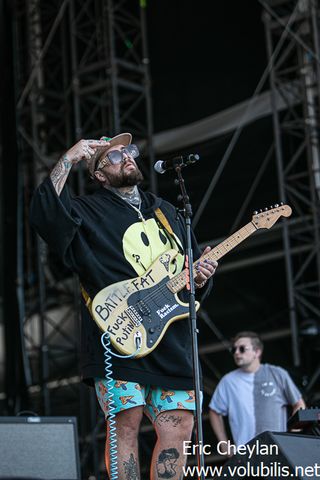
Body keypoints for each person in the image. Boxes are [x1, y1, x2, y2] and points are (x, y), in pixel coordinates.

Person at [30, 133, 217, 479]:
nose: (126, 157)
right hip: (118, 333)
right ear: (99, 175)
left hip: (171, 340)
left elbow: (188, 284)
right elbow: (45, 213)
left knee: (180, 428)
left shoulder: (169, 212)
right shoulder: (86, 211)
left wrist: (201, 278)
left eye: (128, 151)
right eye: (113, 157)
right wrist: (68, 159)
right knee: (125, 424)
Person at [209, 331, 305, 452]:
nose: (237, 352)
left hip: (278, 449)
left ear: (257, 352)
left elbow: (298, 403)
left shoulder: (277, 373)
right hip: (245, 453)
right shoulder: (228, 381)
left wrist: (295, 429)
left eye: (242, 349)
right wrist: (223, 444)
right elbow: (214, 411)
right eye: (234, 350)